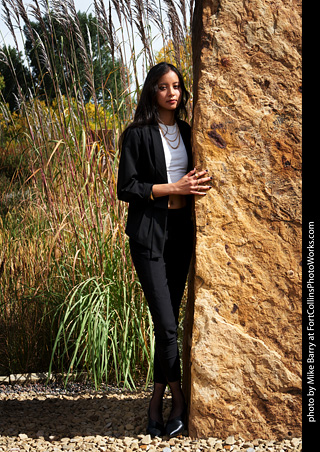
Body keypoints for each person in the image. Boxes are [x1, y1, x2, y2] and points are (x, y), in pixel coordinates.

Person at [117, 62, 212, 437]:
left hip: (182, 235)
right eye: (163, 86)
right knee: (167, 323)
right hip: (148, 236)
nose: (172, 92)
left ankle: (155, 402)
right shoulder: (137, 133)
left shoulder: (189, 133)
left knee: (167, 323)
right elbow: (127, 188)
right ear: (151, 92)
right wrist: (175, 188)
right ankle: (178, 399)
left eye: (176, 86)